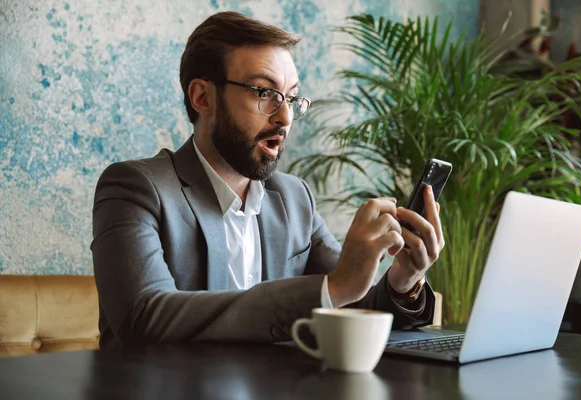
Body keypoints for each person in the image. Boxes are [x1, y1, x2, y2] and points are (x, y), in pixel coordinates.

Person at [91, 11, 445, 349]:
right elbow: (144, 316)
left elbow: (353, 303)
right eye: (264, 93)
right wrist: (334, 287)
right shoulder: (134, 187)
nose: (286, 116)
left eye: (291, 97)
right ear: (202, 97)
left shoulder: (294, 197)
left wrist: (404, 280)